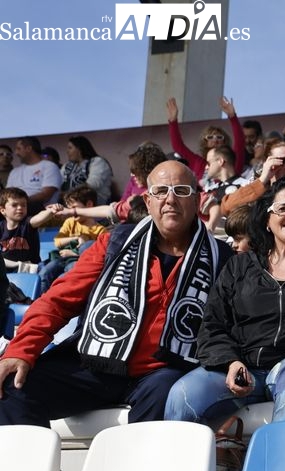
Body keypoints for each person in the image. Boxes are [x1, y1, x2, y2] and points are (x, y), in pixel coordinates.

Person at [0, 160, 233, 428]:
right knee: (10, 388)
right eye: (160, 192)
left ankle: (130, 470)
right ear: (147, 201)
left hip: (161, 374)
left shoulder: (222, 258)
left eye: (180, 191)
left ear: (197, 199)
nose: (170, 199)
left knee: (169, 393)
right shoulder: (115, 243)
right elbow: (57, 301)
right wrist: (20, 351)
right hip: (96, 363)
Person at [166, 177, 285, 425]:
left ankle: (277, 463)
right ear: (267, 220)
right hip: (242, 367)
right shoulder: (240, 265)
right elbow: (213, 324)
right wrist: (231, 362)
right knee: (182, 394)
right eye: (282, 208)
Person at [64, 143, 168, 225]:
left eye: (136, 171)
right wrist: (74, 211)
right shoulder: (137, 197)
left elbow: (114, 211)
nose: (132, 175)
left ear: (147, 171)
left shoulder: (142, 200)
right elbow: (115, 210)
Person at [32, 185, 107, 291]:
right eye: (69, 208)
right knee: (44, 273)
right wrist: (76, 238)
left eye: (74, 208)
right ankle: (40, 300)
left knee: (67, 274)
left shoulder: (100, 230)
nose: (70, 212)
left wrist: (73, 254)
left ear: (89, 205)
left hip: (77, 261)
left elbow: (97, 257)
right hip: (61, 258)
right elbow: (57, 242)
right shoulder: (70, 222)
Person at [166, 96, 247, 182]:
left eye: (219, 137)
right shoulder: (198, 162)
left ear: (225, 141)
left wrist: (232, 116)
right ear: (204, 142)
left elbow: (240, 142)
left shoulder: (232, 161)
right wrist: (173, 121)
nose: (215, 140)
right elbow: (178, 146)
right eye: (210, 137)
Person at [7, 136, 63, 214]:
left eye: (19, 149)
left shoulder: (49, 166)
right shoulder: (14, 171)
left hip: (40, 208)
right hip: (15, 208)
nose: (16, 153)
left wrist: (22, 201)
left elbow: (46, 194)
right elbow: (7, 194)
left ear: (29, 149)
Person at [202, 145, 248, 232]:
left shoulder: (246, 186)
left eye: (208, 163)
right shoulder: (209, 191)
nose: (206, 167)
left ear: (220, 161)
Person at [61, 135, 114, 205]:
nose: (67, 151)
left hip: (95, 204)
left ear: (79, 149)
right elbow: (58, 182)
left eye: (70, 148)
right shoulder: (67, 166)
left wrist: (70, 193)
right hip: (71, 202)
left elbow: (92, 184)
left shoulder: (97, 162)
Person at [0, 187, 41, 271]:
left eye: (23, 205)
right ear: (3, 210)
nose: (20, 208)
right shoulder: (0, 227)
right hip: (7, 268)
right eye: (14, 205)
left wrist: (51, 211)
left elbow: (38, 218)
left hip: (29, 267)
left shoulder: (28, 223)